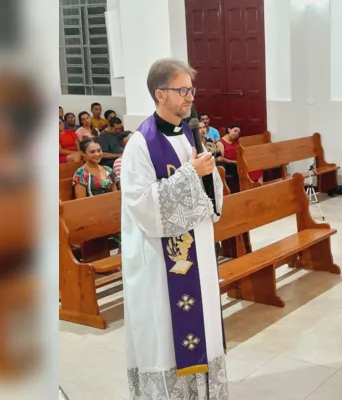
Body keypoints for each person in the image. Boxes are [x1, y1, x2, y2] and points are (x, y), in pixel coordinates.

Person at [120, 58, 227, 400]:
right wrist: (192, 174)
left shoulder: (189, 135)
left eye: (191, 90)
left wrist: (208, 174)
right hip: (160, 266)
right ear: (159, 94)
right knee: (166, 336)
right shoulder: (140, 145)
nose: (189, 97)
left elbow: (212, 202)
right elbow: (145, 208)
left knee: (203, 330)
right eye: (182, 90)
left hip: (200, 254)